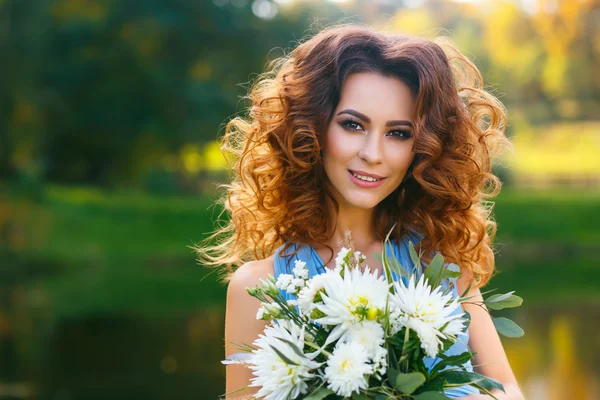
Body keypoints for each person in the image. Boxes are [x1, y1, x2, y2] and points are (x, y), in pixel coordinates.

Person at [196, 24, 525, 400]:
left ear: (424, 147)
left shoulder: (441, 261)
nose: (373, 153)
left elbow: (507, 389)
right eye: (353, 125)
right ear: (312, 128)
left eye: (398, 133)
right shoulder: (257, 289)